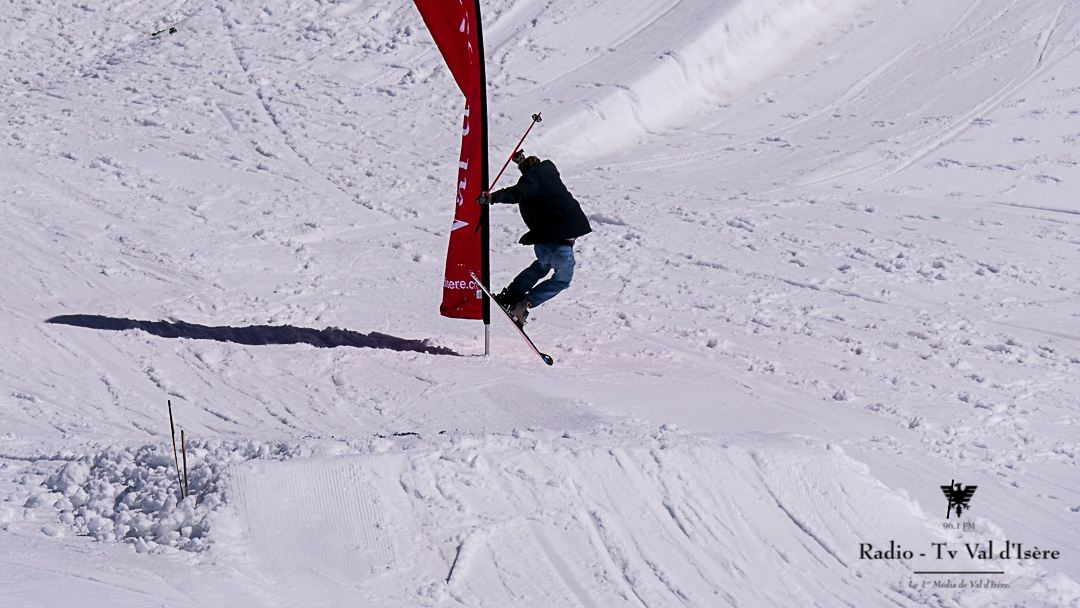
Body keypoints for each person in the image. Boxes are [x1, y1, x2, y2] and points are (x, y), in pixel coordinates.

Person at [478, 152, 591, 326]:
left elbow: (527, 182)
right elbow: (517, 191)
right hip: (561, 244)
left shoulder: (535, 180)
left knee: (540, 267)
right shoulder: (548, 176)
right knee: (562, 280)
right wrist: (493, 198)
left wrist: (520, 164)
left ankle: (511, 295)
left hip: (543, 242)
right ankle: (524, 304)